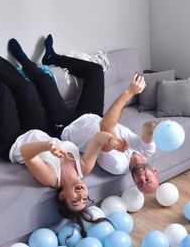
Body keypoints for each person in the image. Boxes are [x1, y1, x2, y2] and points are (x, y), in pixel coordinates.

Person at [0, 35, 118, 229]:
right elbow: (97, 139)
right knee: (27, 88)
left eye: (75, 200)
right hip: (36, 130)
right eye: (84, 199)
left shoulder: (50, 178)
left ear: (63, 195)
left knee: (4, 94)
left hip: (10, 142)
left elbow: (28, 154)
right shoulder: (84, 167)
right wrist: (110, 140)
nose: (81, 195)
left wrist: (47, 145)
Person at [9, 35, 161, 194]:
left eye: (140, 184)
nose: (141, 179)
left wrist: (130, 92)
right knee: (94, 71)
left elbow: (106, 126)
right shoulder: (147, 150)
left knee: (45, 81)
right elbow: (148, 127)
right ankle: (51, 57)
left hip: (67, 126)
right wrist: (158, 127)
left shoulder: (117, 165)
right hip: (92, 115)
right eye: (147, 179)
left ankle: (23, 60)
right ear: (155, 171)